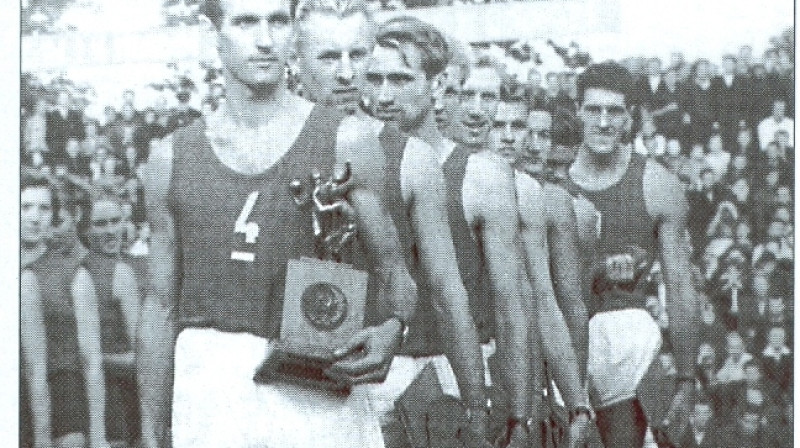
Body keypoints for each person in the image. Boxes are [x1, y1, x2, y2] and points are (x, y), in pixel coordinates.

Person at [137, 0, 417, 446]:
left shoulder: (348, 138)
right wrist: (150, 432)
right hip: (211, 386)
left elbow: (394, 272)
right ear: (214, 35)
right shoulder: (171, 157)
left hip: (314, 377)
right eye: (246, 22)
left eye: (277, 21)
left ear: (293, 32)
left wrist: (394, 328)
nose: (265, 40)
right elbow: (159, 304)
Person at [301, 11, 489, 445]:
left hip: (388, 373)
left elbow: (447, 291)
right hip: (293, 375)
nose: (345, 72)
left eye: (357, 56)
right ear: (301, 60)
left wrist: (477, 410)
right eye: (329, 56)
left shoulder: (409, 158)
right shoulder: (272, 144)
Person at [566, 62, 699, 448]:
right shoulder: (551, 179)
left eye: (615, 111)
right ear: (577, 111)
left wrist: (687, 382)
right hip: (563, 348)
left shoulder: (657, 183)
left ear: (629, 118)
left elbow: (680, 288)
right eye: (594, 110)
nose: (604, 122)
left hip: (629, 347)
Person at [21, 175, 110, 448]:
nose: (35, 218)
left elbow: (91, 359)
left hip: (62, 392)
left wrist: (98, 435)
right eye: (25, 207)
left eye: (44, 209)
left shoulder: (74, 275)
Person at [78, 193, 143, 446]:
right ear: (85, 229)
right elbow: (142, 358)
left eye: (115, 221)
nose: (110, 231)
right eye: (100, 224)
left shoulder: (136, 266)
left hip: (128, 397)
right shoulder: (86, 272)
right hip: (113, 402)